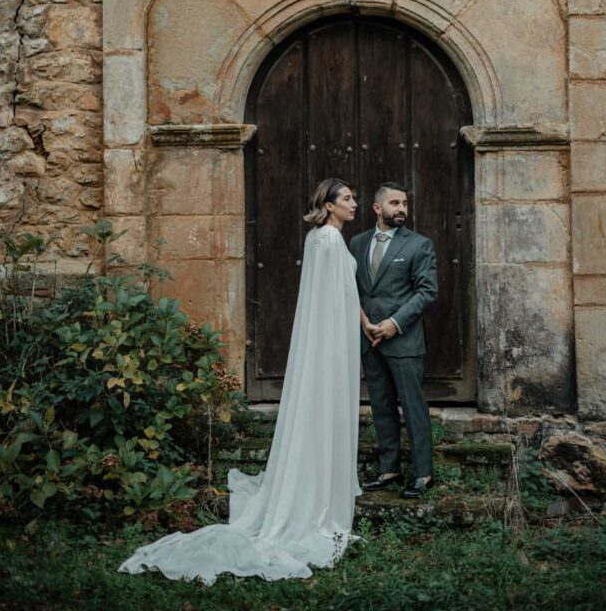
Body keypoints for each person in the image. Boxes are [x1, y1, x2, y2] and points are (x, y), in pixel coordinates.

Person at [119, 178, 365, 583]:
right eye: (347, 199)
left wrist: (363, 322)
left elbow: (341, 294)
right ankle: (316, 511)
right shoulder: (329, 240)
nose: (354, 204)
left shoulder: (317, 238)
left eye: (354, 198)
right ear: (328, 204)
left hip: (332, 340)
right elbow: (333, 300)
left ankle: (312, 494)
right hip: (333, 344)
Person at [350, 182, 438, 499]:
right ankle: (389, 469)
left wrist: (393, 324)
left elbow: (427, 292)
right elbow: (355, 289)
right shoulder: (357, 243)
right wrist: (366, 325)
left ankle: (423, 474)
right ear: (377, 208)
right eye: (395, 203)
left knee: (413, 407)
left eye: (405, 203)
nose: (402, 209)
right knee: (381, 407)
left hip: (403, 341)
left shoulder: (419, 245)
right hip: (369, 340)